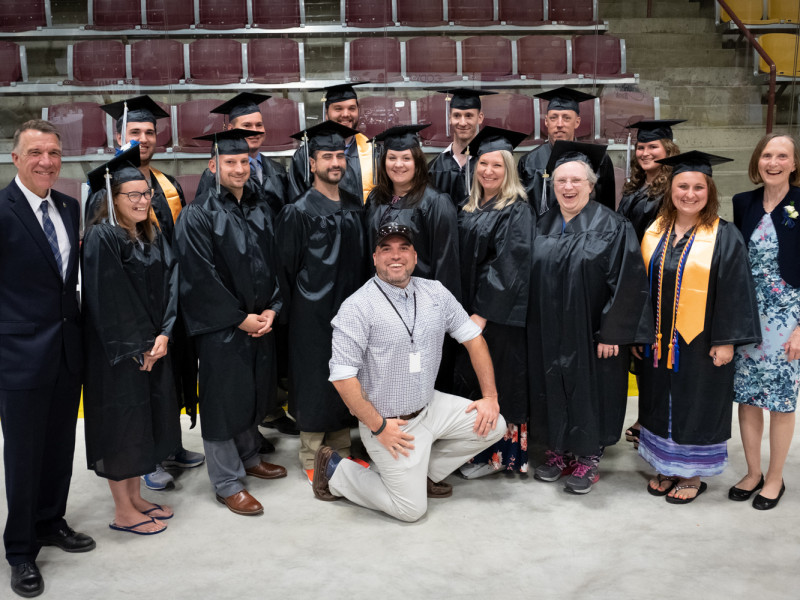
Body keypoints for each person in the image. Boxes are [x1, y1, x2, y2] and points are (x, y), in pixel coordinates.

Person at [313, 222, 506, 522]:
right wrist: (378, 427)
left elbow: (473, 338)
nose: (396, 256)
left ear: (415, 257)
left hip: (431, 406)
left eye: (404, 248)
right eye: (386, 249)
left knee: (495, 424)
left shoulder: (435, 293)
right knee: (411, 510)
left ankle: (424, 474)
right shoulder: (357, 307)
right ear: (375, 258)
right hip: (390, 423)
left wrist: (490, 396)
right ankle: (336, 471)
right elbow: (342, 378)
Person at [0, 120, 94, 598]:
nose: (47, 162)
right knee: (22, 456)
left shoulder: (68, 206)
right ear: (15, 158)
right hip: (17, 356)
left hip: (65, 350)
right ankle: (20, 550)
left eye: (54, 152)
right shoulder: (1, 209)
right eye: (36, 152)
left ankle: (50, 521)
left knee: (59, 448)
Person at [528, 141, 652, 494]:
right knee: (552, 384)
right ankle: (557, 450)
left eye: (576, 181)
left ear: (591, 185)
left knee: (590, 390)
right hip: (549, 329)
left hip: (592, 332)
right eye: (561, 181)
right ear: (552, 185)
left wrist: (612, 333)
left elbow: (627, 282)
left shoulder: (613, 225)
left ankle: (587, 456)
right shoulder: (540, 224)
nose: (568, 187)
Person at [174, 129, 287, 517]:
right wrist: (240, 320)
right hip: (224, 328)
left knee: (253, 391)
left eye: (244, 162)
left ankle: (250, 458)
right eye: (230, 162)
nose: (239, 168)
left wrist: (273, 307)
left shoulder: (261, 208)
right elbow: (199, 278)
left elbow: (276, 264)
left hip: (260, 322)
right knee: (223, 401)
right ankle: (226, 482)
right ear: (213, 165)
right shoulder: (198, 215)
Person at [637, 151, 760, 504]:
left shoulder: (725, 235)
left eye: (697, 187)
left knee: (696, 403)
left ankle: (691, 473)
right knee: (660, 400)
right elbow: (639, 285)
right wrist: (640, 332)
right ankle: (666, 465)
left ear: (710, 191)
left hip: (702, 341)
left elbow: (736, 290)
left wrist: (726, 341)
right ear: (670, 190)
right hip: (659, 340)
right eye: (682, 186)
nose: (689, 194)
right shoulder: (655, 230)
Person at [99, 95, 204, 491]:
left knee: (171, 378)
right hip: (139, 304)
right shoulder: (108, 188)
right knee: (143, 384)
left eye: (149, 132)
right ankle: (145, 458)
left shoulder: (165, 183)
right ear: (119, 136)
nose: (143, 139)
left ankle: (170, 445)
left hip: (170, 300)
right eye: (134, 132)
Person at [82, 145, 180, 535]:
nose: (143, 201)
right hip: (121, 354)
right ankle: (122, 510)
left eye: (146, 194)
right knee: (122, 427)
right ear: (111, 198)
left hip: (152, 347)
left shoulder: (149, 233)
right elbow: (110, 300)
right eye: (133, 195)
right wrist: (141, 343)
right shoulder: (102, 238)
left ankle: (137, 497)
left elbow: (172, 282)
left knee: (144, 424)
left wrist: (165, 332)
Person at [275, 121, 368, 482]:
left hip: (350, 312)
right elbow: (284, 269)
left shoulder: (353, 205)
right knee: (316, 380)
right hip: (311, 316)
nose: (335, 162)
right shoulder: (297, 211)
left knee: (348, 376)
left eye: (339, 156)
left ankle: (341, 451)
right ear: (312, 163)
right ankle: (313, 457)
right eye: (326, 156)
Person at [454, 127, 533, 478]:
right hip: (470, 312)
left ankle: (499, 456)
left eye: (497, 165)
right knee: (473, 380)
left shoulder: (517, 210)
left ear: (509, 170)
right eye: (483, 163)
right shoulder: (469, 206)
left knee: (499, 381)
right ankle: (475, 451)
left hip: (498, 317)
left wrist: (483, 313)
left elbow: (510, 266)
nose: (488, 170)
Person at [730, 134, 800, 510]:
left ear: (793, 163)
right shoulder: (744, 203)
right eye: (767, 155)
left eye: (782, 156)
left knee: (782, 401)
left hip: (789, 319)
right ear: (757, 161)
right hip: (748, 316)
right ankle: (753, 471)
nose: (773, 162)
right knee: (748, 397)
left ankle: (775, 478)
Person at [616, 119, 683, 448]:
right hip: (632, 277)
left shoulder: (672, 190)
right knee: (640, 354)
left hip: (657, 281)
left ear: (668, 149)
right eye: (641, 147)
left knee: (654, 353)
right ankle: (645, 416)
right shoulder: (635, 187)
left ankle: (655, 422)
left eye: (652, 147)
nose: (645, 152)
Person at [518, 87, 616, 215]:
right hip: (541, 233)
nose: (559, 124)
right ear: (546, 122)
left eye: (566, 118)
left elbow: (607, 209)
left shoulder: (598, 159)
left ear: (577, 122)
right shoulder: (529, 162)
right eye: (554, 118)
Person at [195, 92, 288, 217]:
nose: (254, 131)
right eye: (247, 125)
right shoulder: (214, 174)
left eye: (259, 125)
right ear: (231, 129)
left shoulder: (278, 169)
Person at [287, 82, 374, 203]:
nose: (345, 114)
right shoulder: (305, 155)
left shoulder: (373, 151)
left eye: (351, 108)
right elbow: (298, 203)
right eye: (338, 108)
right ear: (326, 113)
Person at [427, 88, 497, 206]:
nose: (462, 122)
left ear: (480, 118)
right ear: (450, 118)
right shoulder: (434, 167)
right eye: (457, 115)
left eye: (469, 115)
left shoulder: (491, 163)